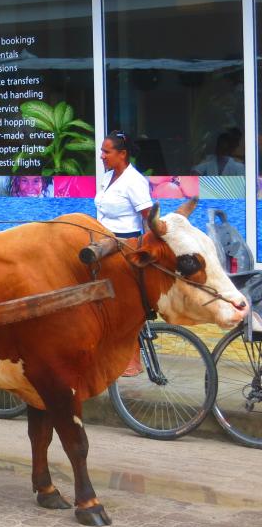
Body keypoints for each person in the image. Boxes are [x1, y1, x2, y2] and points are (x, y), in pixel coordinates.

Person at [95, 130, 153, 376]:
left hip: (124, 249)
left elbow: (148, 217)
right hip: (102, 247)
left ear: (122, 154)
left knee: (125, 304)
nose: (102, 156)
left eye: (106, 151)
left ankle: (134, 360)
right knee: (103, 303)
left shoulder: (134, 181)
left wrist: (149, 251)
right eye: (102, 151)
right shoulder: (107, 178)